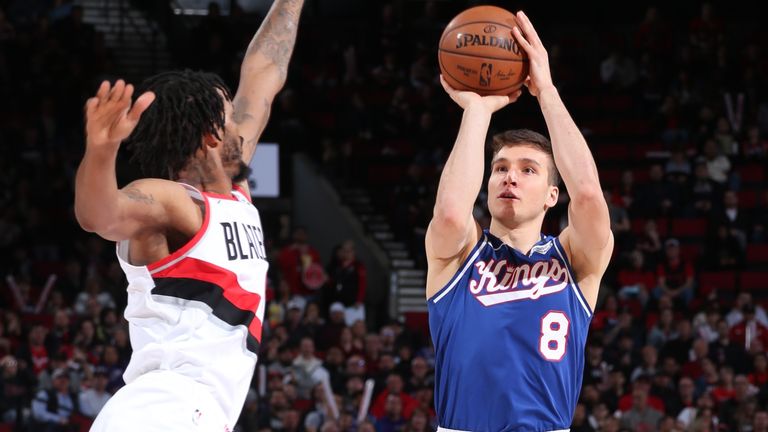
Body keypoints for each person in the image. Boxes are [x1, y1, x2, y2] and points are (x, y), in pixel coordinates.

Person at [73, 0, 305, 430]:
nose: (242, 117)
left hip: (191, 412)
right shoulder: (171, 202)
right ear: (213, 135)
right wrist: (102, 150)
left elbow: (263, 76)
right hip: (165, 409)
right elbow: (99, 217)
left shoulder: (233, 191)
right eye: (232, 114)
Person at [426, 10, 612, 432]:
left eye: (528, 169)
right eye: (500, 167)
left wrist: (545, 91)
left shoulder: (573, 258)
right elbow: (453, 211)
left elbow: (586, 194)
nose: (510, 175)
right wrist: (477, 109)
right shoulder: (460, 255)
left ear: (552, 196)